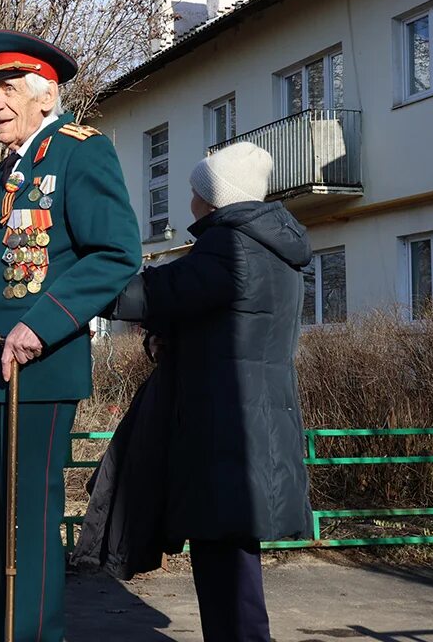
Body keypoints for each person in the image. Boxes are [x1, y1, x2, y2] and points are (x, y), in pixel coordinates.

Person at [0, 30, 141, 641]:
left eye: (4, 89)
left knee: (30, 523)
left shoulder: (81, 152)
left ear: (43, 95)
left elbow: (116, 253)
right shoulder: (5, 170)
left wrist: (40, 325)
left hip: (39, 371)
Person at [109, 141, 313, 642]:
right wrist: (170, 334)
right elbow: (221, 317)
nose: (190, 201)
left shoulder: (229, 244)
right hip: (255, 425)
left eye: (197, 191)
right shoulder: (273, 250)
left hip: (226, 433)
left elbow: (155, 291)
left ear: (216, 197)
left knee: (229, 580)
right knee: (233, 568)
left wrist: (89, 282)